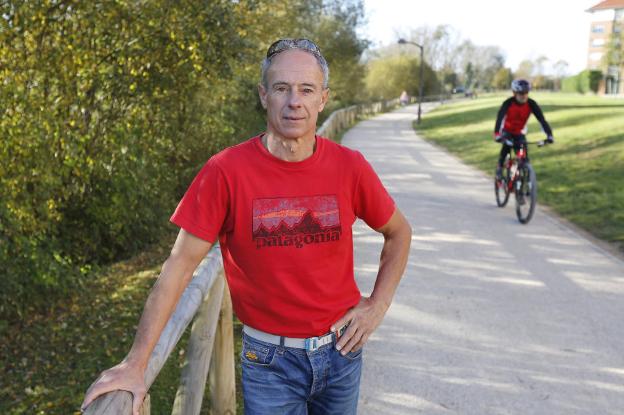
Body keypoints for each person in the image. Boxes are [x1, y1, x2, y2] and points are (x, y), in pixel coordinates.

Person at [81, 38, 412, 415]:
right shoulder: (225, 171)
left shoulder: (350, 167)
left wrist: (377, 305)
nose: (294, 101)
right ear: (263, 95)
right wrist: (135, 363)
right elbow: (179, 266)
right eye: (281, 88)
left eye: (306, 89)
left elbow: (399, 232)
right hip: (269, 361)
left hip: (342, 351)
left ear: (323, 98)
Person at [494, 79, 554, 178]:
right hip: (507, 131)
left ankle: (523, 181)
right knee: (506, 147)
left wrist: (549, 135)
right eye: (521, 93)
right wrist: (497, 134)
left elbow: (542, 120)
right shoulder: (508, 103)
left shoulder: (531, 104)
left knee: (523, 156)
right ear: (514, 93)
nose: (524, 96)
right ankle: (499, 168)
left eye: (526, 93)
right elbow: (499, 119)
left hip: (519, 132)